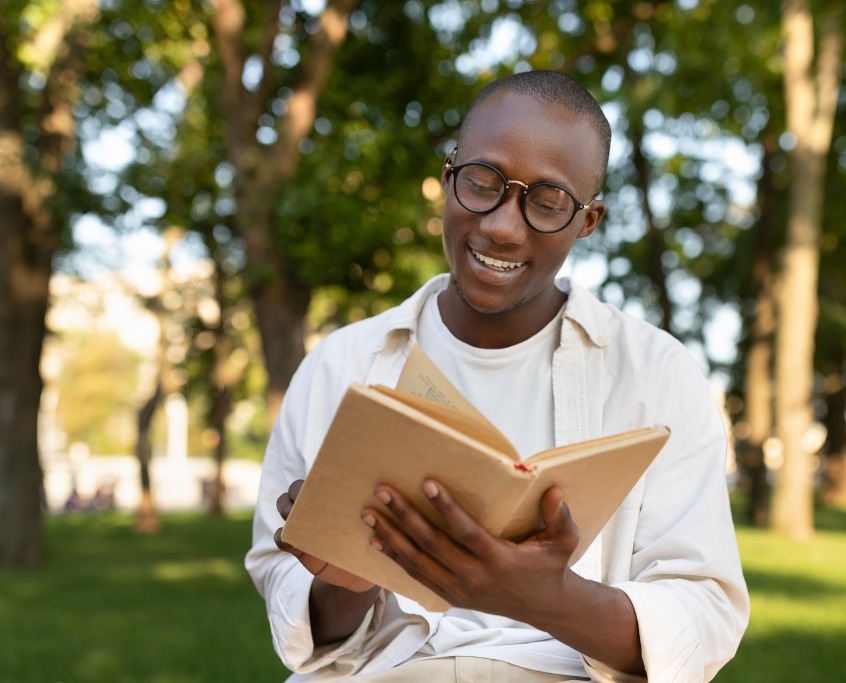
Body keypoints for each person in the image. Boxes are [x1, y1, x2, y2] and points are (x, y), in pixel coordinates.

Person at [246, 70, 749, 682]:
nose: (501, 227)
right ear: (448, 175)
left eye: (546, 202)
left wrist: (544, 598)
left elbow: (703, 614)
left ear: (587, 221)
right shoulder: (340, 364)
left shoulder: (657, 374)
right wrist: (348, 582)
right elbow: (299, 623)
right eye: (482, 183)